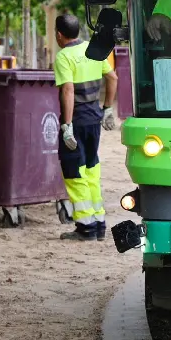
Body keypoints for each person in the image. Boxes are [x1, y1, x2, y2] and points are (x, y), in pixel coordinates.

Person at [53, 13, 119, 241]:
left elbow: (68, 90)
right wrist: (107, 108)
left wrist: (67, 125)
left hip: (77, 120)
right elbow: (113, 78)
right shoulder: (93, 50)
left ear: (59, 35)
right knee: (91, 168)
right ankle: (99, 223)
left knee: (74, 171)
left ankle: (85, 227)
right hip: (93, 118)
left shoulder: (64, 57)